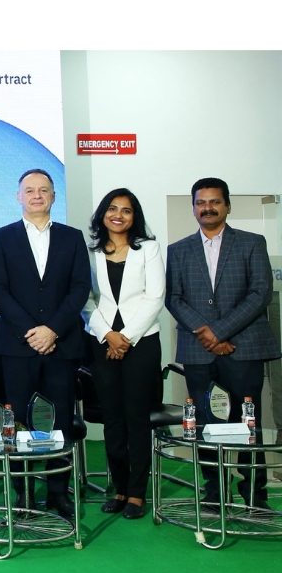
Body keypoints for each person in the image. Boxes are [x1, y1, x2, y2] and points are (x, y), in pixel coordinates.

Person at [166, 177, 280, 508]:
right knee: (206, 420)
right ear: (193, 208)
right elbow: (174, 298)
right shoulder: (178, 249)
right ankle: (215, 490)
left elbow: (260, 292)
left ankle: (254, 493)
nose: (208, 208)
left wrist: (219, 332)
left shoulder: (252, 242)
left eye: (215, 202)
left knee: (248, 420)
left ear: (228, 206)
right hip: (199, 351)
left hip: (244, 347)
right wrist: (207, 333)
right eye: (201, 203)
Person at [0, 169, 89, 519]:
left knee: (60, 421)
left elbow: (79, 288)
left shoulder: (72, 238)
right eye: (29, 190)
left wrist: (53, 330)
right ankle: (24, 493)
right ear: (19, 197)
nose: (37, 195)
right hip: (18, 346)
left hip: (62, 345)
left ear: (53, 196)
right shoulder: (1, 238)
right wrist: (33, 330)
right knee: (19, 422)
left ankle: (58, 492)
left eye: (43, 190)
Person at [82, 189, 164, 520]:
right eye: (112, 209)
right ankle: (119, 488)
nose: (118, 215)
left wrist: (125, 338)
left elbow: (155, 297)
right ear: (103, 214)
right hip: (102, 341)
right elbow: (85, 299)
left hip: (141, 342)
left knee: (137, 417)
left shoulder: (149, 249)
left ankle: (137, 493)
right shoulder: (89, 252)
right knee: (112, 418)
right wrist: (109, 335)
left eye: (126, 210)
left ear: (134, 217)